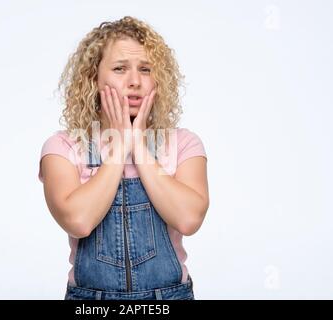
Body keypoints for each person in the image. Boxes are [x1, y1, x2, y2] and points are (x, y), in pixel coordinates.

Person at [38, 16, 209, 300]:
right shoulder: (64, 147)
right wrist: (119, 148)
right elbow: (78, 221)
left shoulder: (183, 143)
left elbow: (189, 219)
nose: (134, 82)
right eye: (120, 69)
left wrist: (139, 146)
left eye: (145, 69)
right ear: (93, 77)